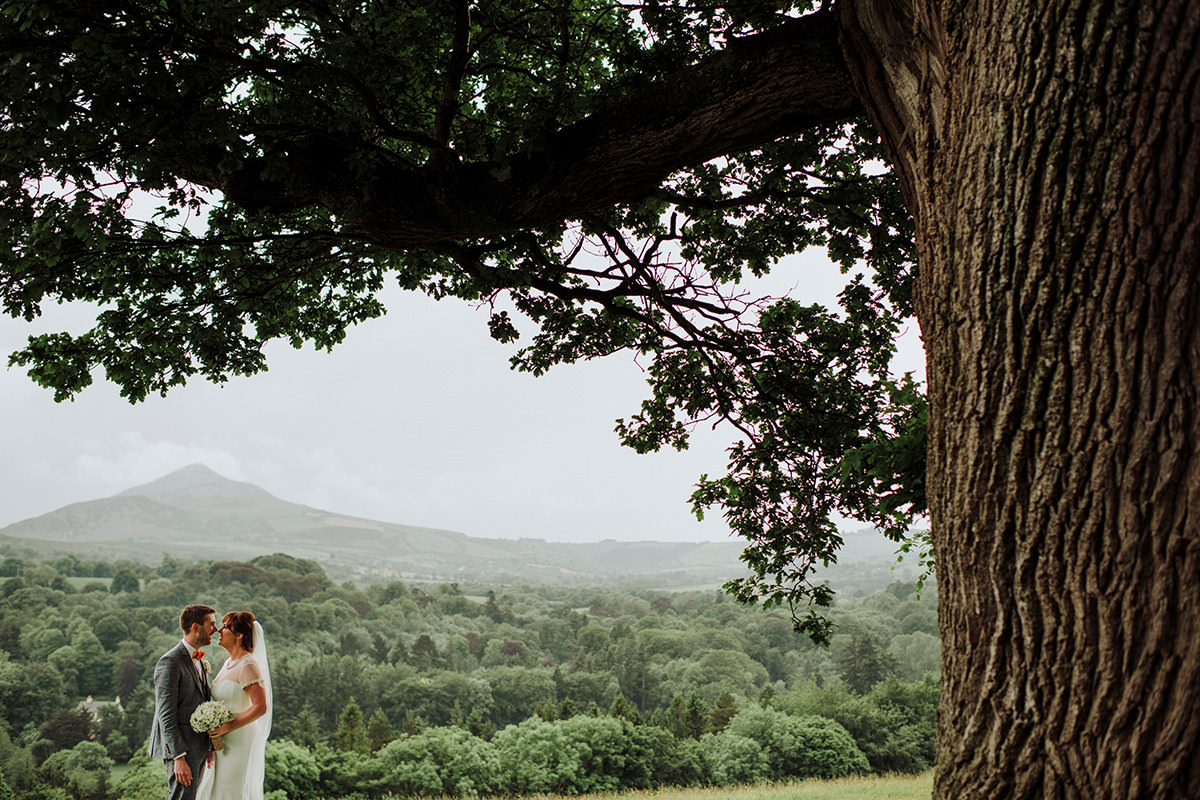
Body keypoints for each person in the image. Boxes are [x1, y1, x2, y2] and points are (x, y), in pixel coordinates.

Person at [194, 611, 272, 800]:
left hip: (239, 738)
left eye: (226, 627)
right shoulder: (229, 662)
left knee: (231, 789)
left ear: (239, 635)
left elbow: (261, 707)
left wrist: (229, 726)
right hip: (222, 738)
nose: (219, 630)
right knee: (214, 787)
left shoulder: (248, 664)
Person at [149, 604, 218, 800]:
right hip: (182, 749)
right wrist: (178, 757)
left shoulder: (197, 659)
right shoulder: (170, 662)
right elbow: (165, 714)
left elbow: (203, 703)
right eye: (211, 624)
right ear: (196, 627)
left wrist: (209, 746)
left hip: (199, 747)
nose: (216, 629)